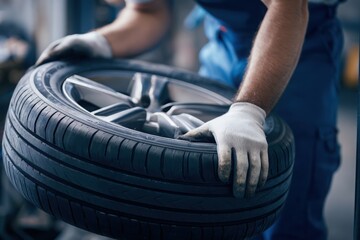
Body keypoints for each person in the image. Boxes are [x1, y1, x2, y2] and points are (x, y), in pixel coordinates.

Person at [36, 0, 344, 239]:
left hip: (299, 47)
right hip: (224, 43)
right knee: (212, 198)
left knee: (289, 201)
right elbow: (148, 13)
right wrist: (100, 42)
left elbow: (288, 7)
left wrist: (248, 110)